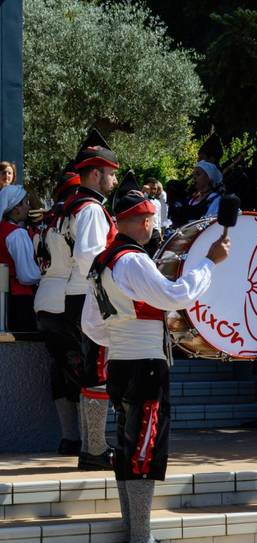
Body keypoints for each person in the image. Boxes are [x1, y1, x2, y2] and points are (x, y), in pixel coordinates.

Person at [82, 177, 230, 543]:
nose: (153, 226)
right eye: (149, 220)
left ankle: (137, 536)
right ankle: (141, 541)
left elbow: (90, 324)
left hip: (120, 363)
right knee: (144, 449)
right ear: (142, 222)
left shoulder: (103, 262)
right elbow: (174, 295)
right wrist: (209, 265)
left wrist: (121, 334)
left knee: (130, 448)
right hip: (146, 364)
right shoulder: (133, 259)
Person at [64, 131, 120, 470]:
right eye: (111, 173)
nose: (114, 179)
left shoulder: (74, 205)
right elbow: (90, 255)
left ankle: (92, 447)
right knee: (97, 375)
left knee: (91, 376)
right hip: (93, 299)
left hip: (77, 296)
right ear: (96, 173)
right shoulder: (92, 209)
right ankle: (95, 452)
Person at [34, 169, 84, 454]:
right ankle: (91, 443)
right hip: (69, 298)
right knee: (83, 370)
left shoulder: (45, 222)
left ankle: (69, 437)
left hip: (44, 301)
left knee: (60, 369)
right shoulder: (75, 217)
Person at [0, 185, 41, 330]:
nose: (28, 207)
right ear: (16, 208)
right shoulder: (18, 234)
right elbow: (26, 275)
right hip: (18, 297)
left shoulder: (3, 229)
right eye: (25, 203)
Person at [176, 161, 222, 225]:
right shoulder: (192, 199)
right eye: (193, 175)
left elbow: (211, 224)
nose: (194, 178)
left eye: (198, 174)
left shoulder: (215, 200)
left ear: (209, 178)